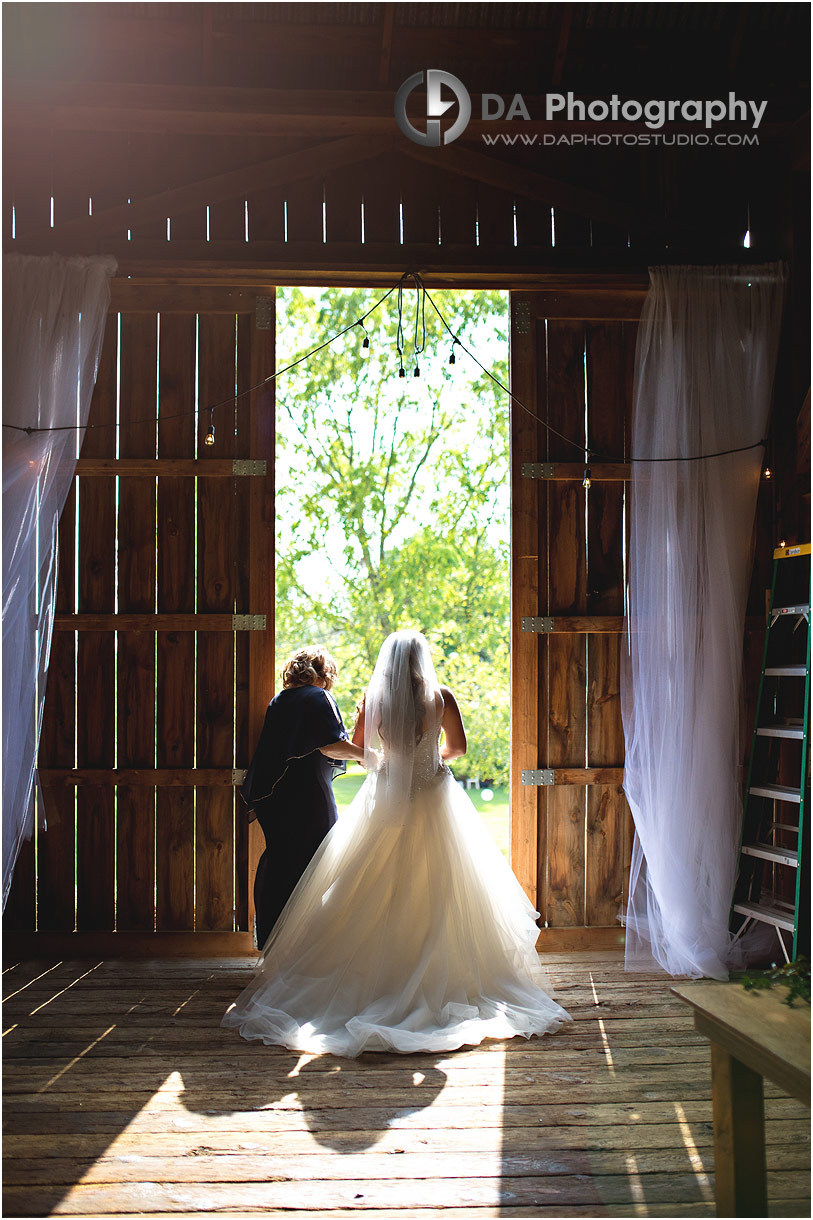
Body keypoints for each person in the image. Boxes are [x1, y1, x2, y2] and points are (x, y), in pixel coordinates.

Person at [224, 630, 570, 1056]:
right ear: (422, 659)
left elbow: (361, 749)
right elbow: (457, 748)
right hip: (433, 796)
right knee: (444, 882)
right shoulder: (442, 697)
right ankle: (442, 970)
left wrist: (393, 761)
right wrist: (427, 763)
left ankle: (368, 973)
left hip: (386, 796)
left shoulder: (375, 700)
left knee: (372, 881)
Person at [241, 644, 370, 949]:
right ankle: (307, 943)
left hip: (276, 797)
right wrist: (371, 756)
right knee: (315, 864)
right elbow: (331, 745)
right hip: (306, 796)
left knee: (280, 862)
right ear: (325, 673)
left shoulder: (280, 700)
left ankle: (273, 939)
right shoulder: (318, 697)